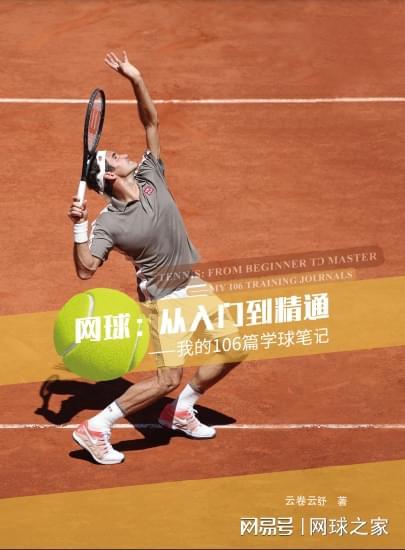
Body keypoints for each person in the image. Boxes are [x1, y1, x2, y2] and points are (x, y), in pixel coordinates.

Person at [68, 51, 247, 465]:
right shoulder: (108, 223)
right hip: (163, 299)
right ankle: (96, 427)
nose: (124, 154)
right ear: (109, 176)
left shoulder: (150, 175)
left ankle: (181, 410)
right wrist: (78, 227)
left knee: (234, 345)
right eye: (115, 156)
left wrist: (137, 78)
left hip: (190, 282)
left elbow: (151, 122)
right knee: (167, 378)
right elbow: (85, 269)